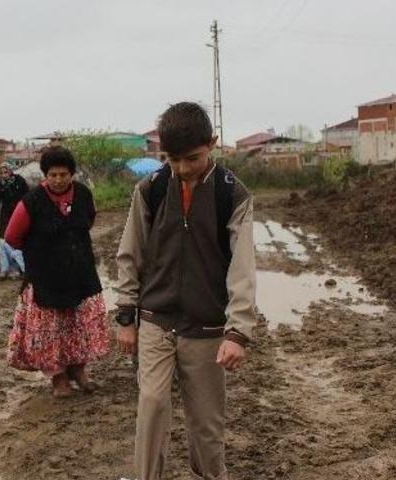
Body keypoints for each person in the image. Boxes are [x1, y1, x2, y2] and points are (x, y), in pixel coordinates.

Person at [113, 102, 256, 480]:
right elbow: (130, 252)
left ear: (212, 143)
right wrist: (126, 316)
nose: (183, 168)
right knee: (152, 404)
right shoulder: (152, 189)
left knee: (206, 423)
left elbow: (242, 268)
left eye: (192, 158)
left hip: (206, 327)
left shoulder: (232, 195)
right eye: (173, 159)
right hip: (156, 319)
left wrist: (238, 332)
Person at [4, 146, 110, 398]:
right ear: (46, 175)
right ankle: (58, 377)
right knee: (51, 331)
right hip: (46, 279)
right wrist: (40, 253)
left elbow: (88, 220)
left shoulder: (83, 194)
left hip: (80, 274)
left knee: (78, 327)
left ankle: (79, 370)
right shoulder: (31, 202)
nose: (58, 180)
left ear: (72, 174)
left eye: (63, 174)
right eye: (53, 175)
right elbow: (12, 237)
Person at [0, 163, 29, 279]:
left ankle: (18, 268)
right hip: (6, 215)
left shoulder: (19, 181)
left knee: (17, 242)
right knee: (3, 241)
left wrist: (29, 213)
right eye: (1, 173)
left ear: (10, 171)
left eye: (5, 172)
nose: (3, 175)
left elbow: (28, 197)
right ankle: (4, 268)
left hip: (19, 213)